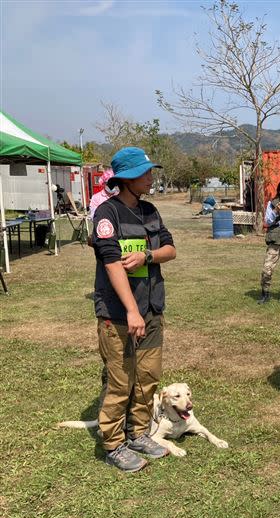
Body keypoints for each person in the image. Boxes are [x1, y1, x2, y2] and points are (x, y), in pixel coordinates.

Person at [92, 147, 177, 472]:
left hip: (152, 308)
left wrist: (148, 256)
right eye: (145, 173)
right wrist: (131, 311)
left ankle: (138, 432)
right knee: (120, 380)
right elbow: (112, 264)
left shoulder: (151, 211)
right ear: (127, 179)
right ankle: (113, 443)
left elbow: (170, 248)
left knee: (147, 377)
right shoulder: (107, 214)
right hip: (119, 313)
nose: (151, 177)